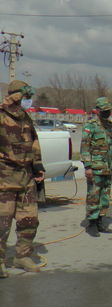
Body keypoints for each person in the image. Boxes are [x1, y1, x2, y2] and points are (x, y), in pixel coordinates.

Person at [0, 80, 45, 276]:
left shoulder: (25, 117)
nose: (29, 100)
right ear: (17, 95)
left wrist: (38, 166)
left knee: (29, 220)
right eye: (26, 96)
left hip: (26, 177)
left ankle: (22, 255)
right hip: (4, 177)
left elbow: (34, 142)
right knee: (2, 221)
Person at [81, 97, 112, 237]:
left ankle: (100, 220)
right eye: (104, 111)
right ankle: (91, 223)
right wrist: (87, 167)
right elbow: (84, 148)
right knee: (94, 195)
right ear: (97, 111)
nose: (107, 113)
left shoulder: (110, 126)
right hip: (95, 168)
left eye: (108, 110)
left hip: (107, 167)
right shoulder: (90, 125)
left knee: (105, 195)